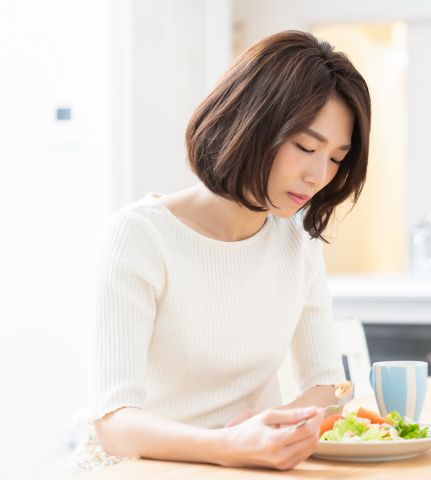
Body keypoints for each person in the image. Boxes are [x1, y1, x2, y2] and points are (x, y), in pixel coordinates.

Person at [66, 30, 370, 474]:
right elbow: (115, 423)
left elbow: (327, 385)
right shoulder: (140, 235)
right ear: (249, 124)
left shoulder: (296, 241)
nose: (318, 175)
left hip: (242, 466)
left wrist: (271, 430)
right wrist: (227, 445)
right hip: (139, 467)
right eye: (305, 147)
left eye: (336, 158)